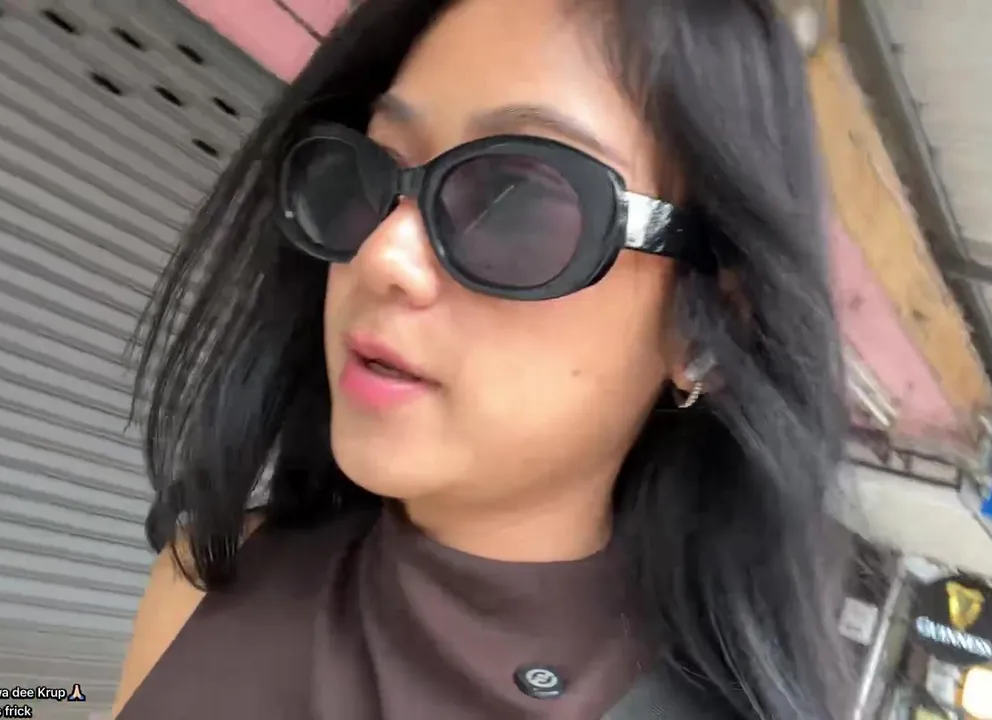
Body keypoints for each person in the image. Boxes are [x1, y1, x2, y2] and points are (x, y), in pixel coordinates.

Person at [111, 0, 852, 717]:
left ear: (707, 328)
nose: (383, 253)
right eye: (376, 168)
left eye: (519, 203)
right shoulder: (207, 576)